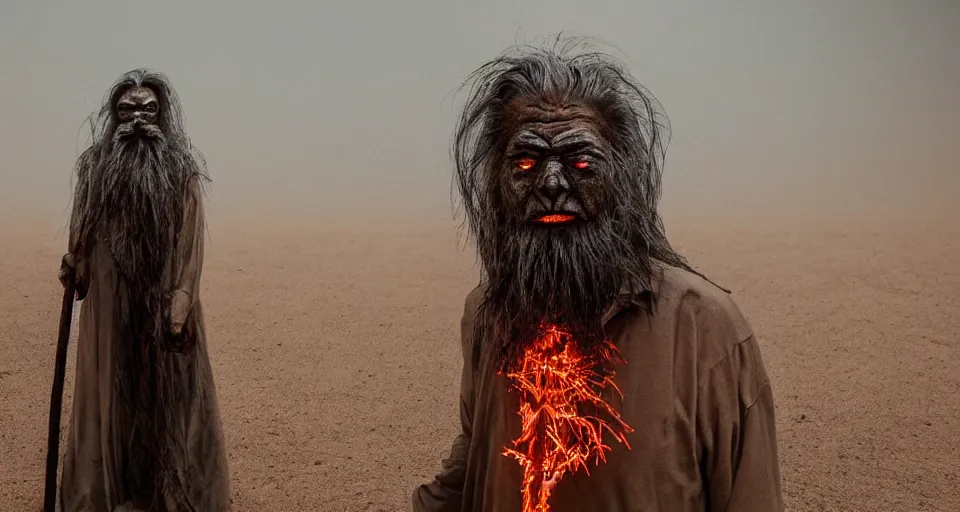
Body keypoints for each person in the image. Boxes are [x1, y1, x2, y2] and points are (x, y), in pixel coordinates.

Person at [412, 37, 783, 512]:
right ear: (494, 184)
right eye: (525, 163)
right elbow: (479, 446)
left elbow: (750, 496)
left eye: (581, 163)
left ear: (623, 180)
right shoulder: (488, 311)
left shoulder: (705, 328)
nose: (550, 184)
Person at [58, 69, 230, 512]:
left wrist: (181, 301)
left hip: (166, 308)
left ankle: (172, 495)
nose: (137, 118)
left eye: (148, 109)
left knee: (171, 400)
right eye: (128, 109)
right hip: (110, 310)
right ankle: (109, 493)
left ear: (162, 114)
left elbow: (191, 245)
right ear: (114, 116)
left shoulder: (181, 171)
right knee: (113, 399)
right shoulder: (95, 170)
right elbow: (82, 232)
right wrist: (75, 265)